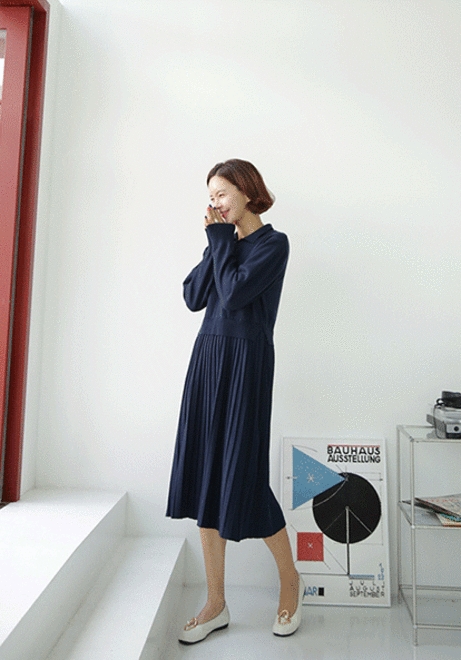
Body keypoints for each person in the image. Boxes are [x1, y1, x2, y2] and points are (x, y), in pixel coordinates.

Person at [166, 159, 304, 644]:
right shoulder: (222, 241)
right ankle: (216, 603)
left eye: (222, 193)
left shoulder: (273, 244)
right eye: (211, 196)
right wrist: (217, 243)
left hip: (246, 363)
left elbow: (236, 292)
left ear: (247, 191)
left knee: (245, 476)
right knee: (205, 471)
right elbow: (193, 295)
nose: (215, 203)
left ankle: (291, 582)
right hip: (208, 359)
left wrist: (220, 240)